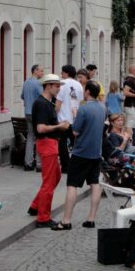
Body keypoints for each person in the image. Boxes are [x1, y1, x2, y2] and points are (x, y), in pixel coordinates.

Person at [52, 81, 107, 230]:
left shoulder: (83, 109)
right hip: (96, 153)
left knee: (72, 185)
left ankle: (66, 220)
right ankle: (91, 219)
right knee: (94, 184)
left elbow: (75, 132)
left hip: (81, 152)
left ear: (88, 92)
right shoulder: (103, 108)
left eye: (84, 89)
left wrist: (76, 117)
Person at [28, 74, 70, 227]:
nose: (59, 89)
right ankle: (43, 218)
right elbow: (40, 128)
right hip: (46, 144)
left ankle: (35, 206)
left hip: (51, 143)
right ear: (48, 86)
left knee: (56, 177)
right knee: (49, 182)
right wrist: (59, 126)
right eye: (57, 86)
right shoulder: (41, 103)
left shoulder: (48, 103)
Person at [55, 65, 83, 174]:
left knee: (62, 144)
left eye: (62, 72)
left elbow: (58, 103)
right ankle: (76, 165)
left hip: (63, 119)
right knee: (74, 143)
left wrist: (54, 115)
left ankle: (65, 166)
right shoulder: (79, 85)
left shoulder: (61, 84)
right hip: (75, 119)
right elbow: (80, 102)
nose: (61, 74)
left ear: (66, 73)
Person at [21, 64, 44, 172]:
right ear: (35, 71)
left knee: (30, 137)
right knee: (39, 137)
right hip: (36, 113)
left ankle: (28, 163)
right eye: (41, 71)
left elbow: (22, 96)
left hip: (27, 112)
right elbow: (43, 96)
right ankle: (39, 164)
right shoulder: (38, 84)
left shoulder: (26, 82)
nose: (42, 73)